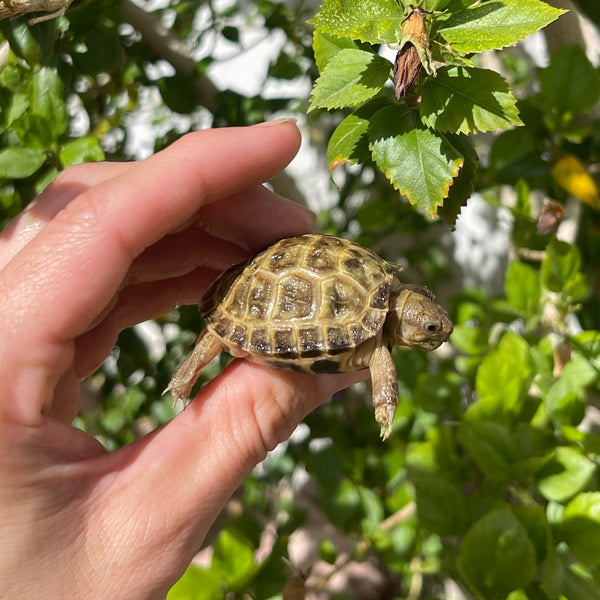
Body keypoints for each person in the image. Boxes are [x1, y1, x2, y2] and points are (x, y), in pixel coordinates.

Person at [0, 121, 363, 597]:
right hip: (266, 305)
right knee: (210, 342)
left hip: (280, 291)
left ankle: (185, 374)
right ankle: (183, 375)